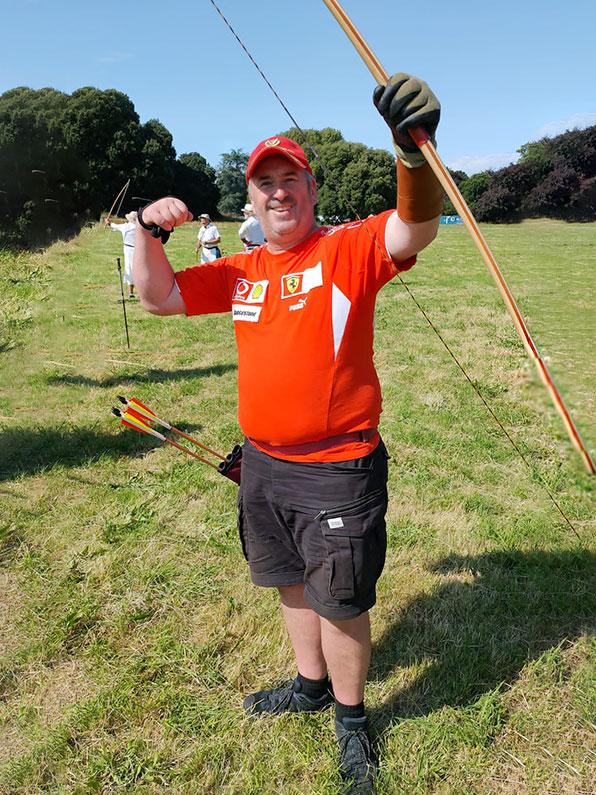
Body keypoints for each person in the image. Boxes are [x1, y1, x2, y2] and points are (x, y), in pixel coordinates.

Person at [133, 73, 443, 794]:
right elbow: (159, 296)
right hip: (263, 466)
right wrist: (146, 232)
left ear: (310, 189)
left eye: (290, 179)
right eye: (264, 181)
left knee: (340, 598)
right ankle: (309, 684)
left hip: (338, 468)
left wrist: (413, 154)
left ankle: (351, 716)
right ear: (250, 199)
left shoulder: (347, 250)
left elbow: (414, 226)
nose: (277, 191)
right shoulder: (239, 269)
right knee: (291, 582)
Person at [109, 210, 137, 298]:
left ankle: (131, 292)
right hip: (138, 250)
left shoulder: (126, 227)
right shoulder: (140, 228)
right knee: (138, 269)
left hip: (128, 250)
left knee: (129, 268)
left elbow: (114, 226)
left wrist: (108, 223)